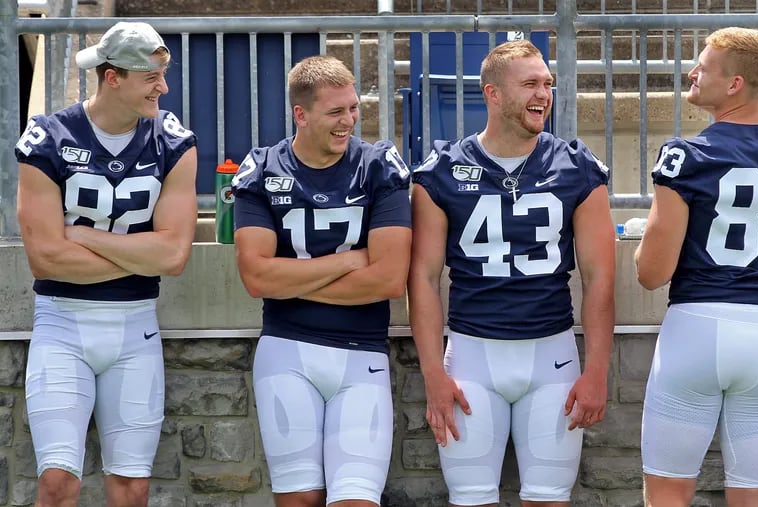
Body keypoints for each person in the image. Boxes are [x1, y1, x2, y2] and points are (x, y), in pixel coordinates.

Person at [407, 39, 615, 507]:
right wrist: (431, 376)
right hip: (470, 358)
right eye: (529, 84)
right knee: (471, 499)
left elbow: (599, 278)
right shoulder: (441, 171)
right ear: (493, 94)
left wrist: (598, 369)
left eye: (546, 83)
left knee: (549, 499)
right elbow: (421, 278)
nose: (543, 93)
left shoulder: (576, 168)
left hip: (553, 356)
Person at [15, 21, 197, 507]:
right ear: (111, 77)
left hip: (134, 327)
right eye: (150, 76)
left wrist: (86, 237)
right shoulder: (49, 137)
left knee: (132, 487)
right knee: (57, 483)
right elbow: (45, 257)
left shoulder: (172, 141)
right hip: (62, 322)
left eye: (163, 73)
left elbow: (176, 255)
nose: (162, 87)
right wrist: (141, 255)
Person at [232, 55, 411, 507]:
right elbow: (256, 276)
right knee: (299, 502)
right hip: (286, 352)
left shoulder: (378, 165)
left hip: (361, 353)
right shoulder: (264, 168)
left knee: (356, 502)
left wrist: (290, 278)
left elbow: (389, 279)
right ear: (301, 113)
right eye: (336, 112)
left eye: (353, 108)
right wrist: (349, 262)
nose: (349, 120)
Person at [635, 27, 758, 507]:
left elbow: (651, 272)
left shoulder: (687, 155)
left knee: (667, 493)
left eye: (704, 66)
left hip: (698, 328)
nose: (692, 71)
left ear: (734, 84)